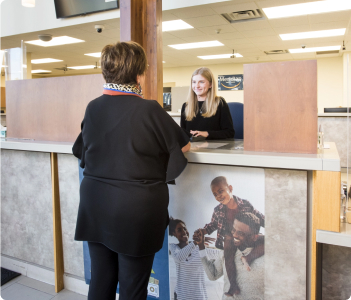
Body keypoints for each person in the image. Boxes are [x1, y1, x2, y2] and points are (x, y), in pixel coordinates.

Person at [72, 41, 191, 300]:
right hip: (135, 211)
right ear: (138, 74)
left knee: (101, 281)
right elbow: (183, 146)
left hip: (96, 206)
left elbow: (81, 150)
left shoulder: (93, 107)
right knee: (132, 288)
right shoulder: (149, 109)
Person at [195, 176, 265, 296]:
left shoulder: (245, 204)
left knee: (266, 239)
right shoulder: (218, 210)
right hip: (230, 238)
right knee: (228, 245)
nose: (218, 196)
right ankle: (233, 286)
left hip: (246, 237)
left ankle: (248, 258)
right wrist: (202, 231)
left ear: (230, 188)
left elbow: (259, 217)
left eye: (221, 191)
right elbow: (212, 225)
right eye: (215, 194)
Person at [194, 212, 265, 300]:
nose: (234, 235)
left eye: (241, 233)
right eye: (233, 230)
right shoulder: (227, 252)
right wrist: (201, 247)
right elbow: (213, 275)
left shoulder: (266, 257)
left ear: (255, 237)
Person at [180, 67, 235, 140]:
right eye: (194, 82)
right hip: (192, 148)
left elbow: (229, 132)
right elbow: (182, 134)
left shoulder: (219, 103)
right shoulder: (186, 106)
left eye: (201, 82)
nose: (197, 86)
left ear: (210, 85)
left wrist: (207, 133)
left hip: (213, 148)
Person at [168, 217, 209, 300]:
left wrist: (201, 244)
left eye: (184, 229)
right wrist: (195, 242)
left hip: (199, 296)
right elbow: (178, 258)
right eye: (179, 230)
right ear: (174, 233)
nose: (184, 232)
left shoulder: (198, 248)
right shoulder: (174, 247)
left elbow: (217, 255)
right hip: (182, 296)